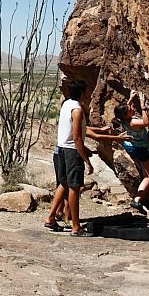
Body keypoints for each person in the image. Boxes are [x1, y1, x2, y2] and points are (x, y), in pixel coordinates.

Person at [44, 79, 94, 236]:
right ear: (82, 92)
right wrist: (86, 159)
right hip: (72, 151)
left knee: (64, 183)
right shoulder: (77, 110)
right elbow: (77, 138)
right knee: (74, 186)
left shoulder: (67, 104)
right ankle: (76, 227)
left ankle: (50, 218)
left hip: (61, 149)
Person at [113, 90, 149, 214]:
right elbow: (147, 122)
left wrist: (130, 99)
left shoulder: (122, 119)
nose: (132, 108)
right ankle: (137, 199)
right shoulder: (133, 122)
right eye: (130, 109)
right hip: (142, 149)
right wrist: (143, 105)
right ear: (126, 115)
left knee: (143, 169)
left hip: (132, 147)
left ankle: (140, 168)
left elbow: (125, 109)